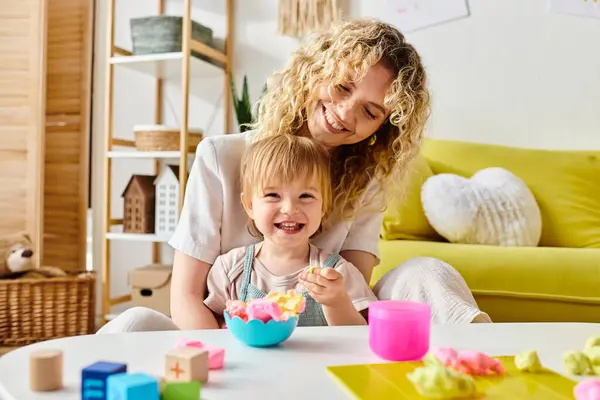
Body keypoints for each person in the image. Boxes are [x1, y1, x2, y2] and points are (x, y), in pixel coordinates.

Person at [97, 18, 489, 335]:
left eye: (370, 112)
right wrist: (235, 362)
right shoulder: (221, 156)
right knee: (133, 322)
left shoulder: (366, 182)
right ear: (314, 72)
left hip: (331, 333)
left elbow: (353, 293)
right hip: (224, 335)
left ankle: (480, 364)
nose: (346, 113)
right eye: (341, 86)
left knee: (427, 272)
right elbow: (185, 297)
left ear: (383, 129)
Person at [203, 134, 377, 328]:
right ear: (249, 205)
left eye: (305, 195)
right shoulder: (230, 269)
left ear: (323, 207)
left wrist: (337, 302)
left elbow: (360, 336)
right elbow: (213, 322)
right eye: (273, 195)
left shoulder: (337, 272)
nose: (289, 208)